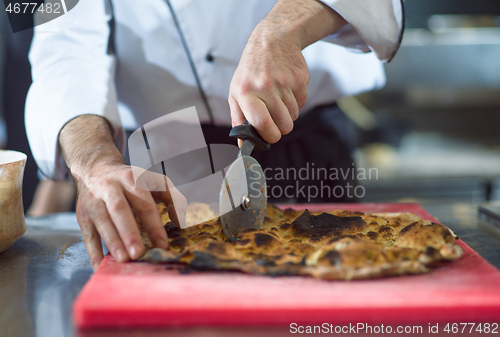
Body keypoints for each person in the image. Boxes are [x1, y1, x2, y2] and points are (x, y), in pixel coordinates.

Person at [25, 0, 404, 270]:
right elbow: (62, 45)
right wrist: (94, 162)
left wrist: (282, 31)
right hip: (162, 167)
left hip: (303, 142)